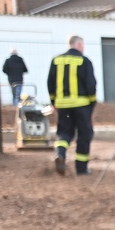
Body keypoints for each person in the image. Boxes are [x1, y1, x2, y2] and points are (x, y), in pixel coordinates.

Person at [46, 34, 96, 176]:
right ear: (79, 44)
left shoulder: (56, 60)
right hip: (82, 105)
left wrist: (54, 101)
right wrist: (92, 102)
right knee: (84, 135)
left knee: (64, 133)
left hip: (62, 106)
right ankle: (81, 168)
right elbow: (91, 84)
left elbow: (50, 83)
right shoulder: (84, 61)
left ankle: (60, 154)